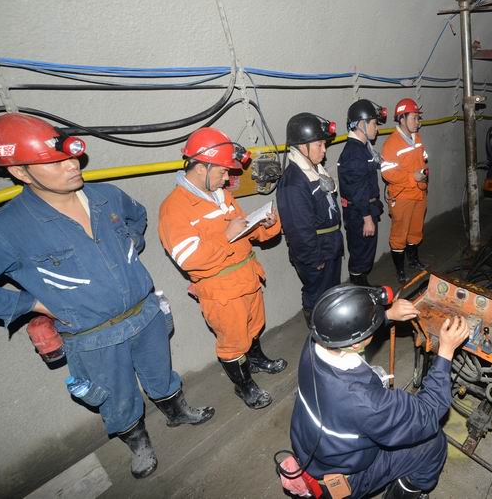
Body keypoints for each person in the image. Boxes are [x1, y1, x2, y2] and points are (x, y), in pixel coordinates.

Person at [0, 113, 214, 479]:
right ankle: (139, 443)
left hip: (146, 315)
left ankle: (177, 411)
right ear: (20, 172)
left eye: (71, 157)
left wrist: (129, 246)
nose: (72, 166)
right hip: (93, 338)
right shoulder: (8, 228)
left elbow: (137, 217)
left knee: (161, 373)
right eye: (55, 163)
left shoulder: (105, 196)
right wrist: (30, 304)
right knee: (117, 397)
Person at [286, 284, 468, 498]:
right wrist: (446, 351)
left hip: (318, 454)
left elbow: (350, 336)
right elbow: (427, 412)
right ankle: (405, 492)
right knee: (432, 443)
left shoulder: (315, 341)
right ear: (355, 345)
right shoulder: (364, 400)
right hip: (346, 478)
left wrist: (389, 315)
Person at [158, 127, 286, 411]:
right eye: (223, 171)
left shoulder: (221, 195)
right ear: (202, 167)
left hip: (247, 277)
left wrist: (266, 224)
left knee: (253, 327)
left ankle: (256, 359)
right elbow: (189, 258)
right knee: (233, 342)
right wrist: (226, 236)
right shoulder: (174, 208)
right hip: (222, 291)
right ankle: (245, 386)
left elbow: (246, 230)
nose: (228, 178)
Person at [276, 112, 343, 324]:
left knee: (330, 293)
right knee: (317, 295)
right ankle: (317, 329)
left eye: (324, 144)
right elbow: (298, 228)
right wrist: (314, 259)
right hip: (317, 250)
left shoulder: (315, 170)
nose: (324, 150)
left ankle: (330, 326)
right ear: (302, 147)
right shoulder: (294, 182)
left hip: (329, 245)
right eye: (319, 145)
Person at [338, 99, 386, 287]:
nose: (377, 128)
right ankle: (360, 291)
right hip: (360, 213)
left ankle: (363, 289)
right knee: (360, 254)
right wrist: (367, 218)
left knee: (365, 253)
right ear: (361, 124)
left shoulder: (362, 149)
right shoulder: (354, 153)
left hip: (365, 209)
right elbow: (357, 190)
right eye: (374, 123)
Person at [380, 98, 429, 284]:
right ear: (402, 118)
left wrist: (423, 175)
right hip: (402, 197)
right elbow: (387, 173)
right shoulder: (391, 144)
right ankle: (400, 270)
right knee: (399, 235)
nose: (418, 122)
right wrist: (412, 177)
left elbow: (423, 158)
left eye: (418, 118)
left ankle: (413, 260)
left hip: (419, 193)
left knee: (415, 231)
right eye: (414, 118)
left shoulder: (417, 138)